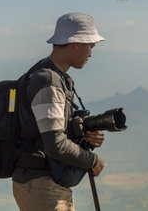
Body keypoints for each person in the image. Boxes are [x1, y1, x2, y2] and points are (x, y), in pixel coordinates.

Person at [12, 13, 106, 211]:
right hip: (42, 187)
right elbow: (55, 145)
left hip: (39, 184)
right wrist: (92, 160)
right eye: (91, 46)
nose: (91, 53)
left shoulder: (50, 75)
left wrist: (85, 137)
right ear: (76, 43)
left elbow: (49, 133)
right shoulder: (48, 81)